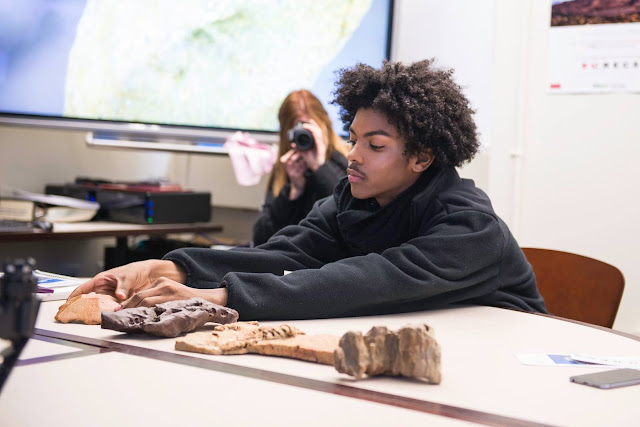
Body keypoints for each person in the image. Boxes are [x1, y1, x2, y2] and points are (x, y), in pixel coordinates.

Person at [70, 60, 547, 320]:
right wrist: (171, 266)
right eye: (354, 139)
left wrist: (219, 297)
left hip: (501, 357)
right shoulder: (349, 199)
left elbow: (373, 280)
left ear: (421, 157)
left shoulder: (469, 224)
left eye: (375, 145)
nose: (354, 155)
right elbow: (284, 254)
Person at [252, 90, 349, 246]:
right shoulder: (287, 168)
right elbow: (261, 239)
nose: (305, 138)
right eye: (298, 132)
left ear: (324, 128)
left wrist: (320, 168)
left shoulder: (345, 163)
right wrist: (293, 192)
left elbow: (346, 214)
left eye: (309, 131)